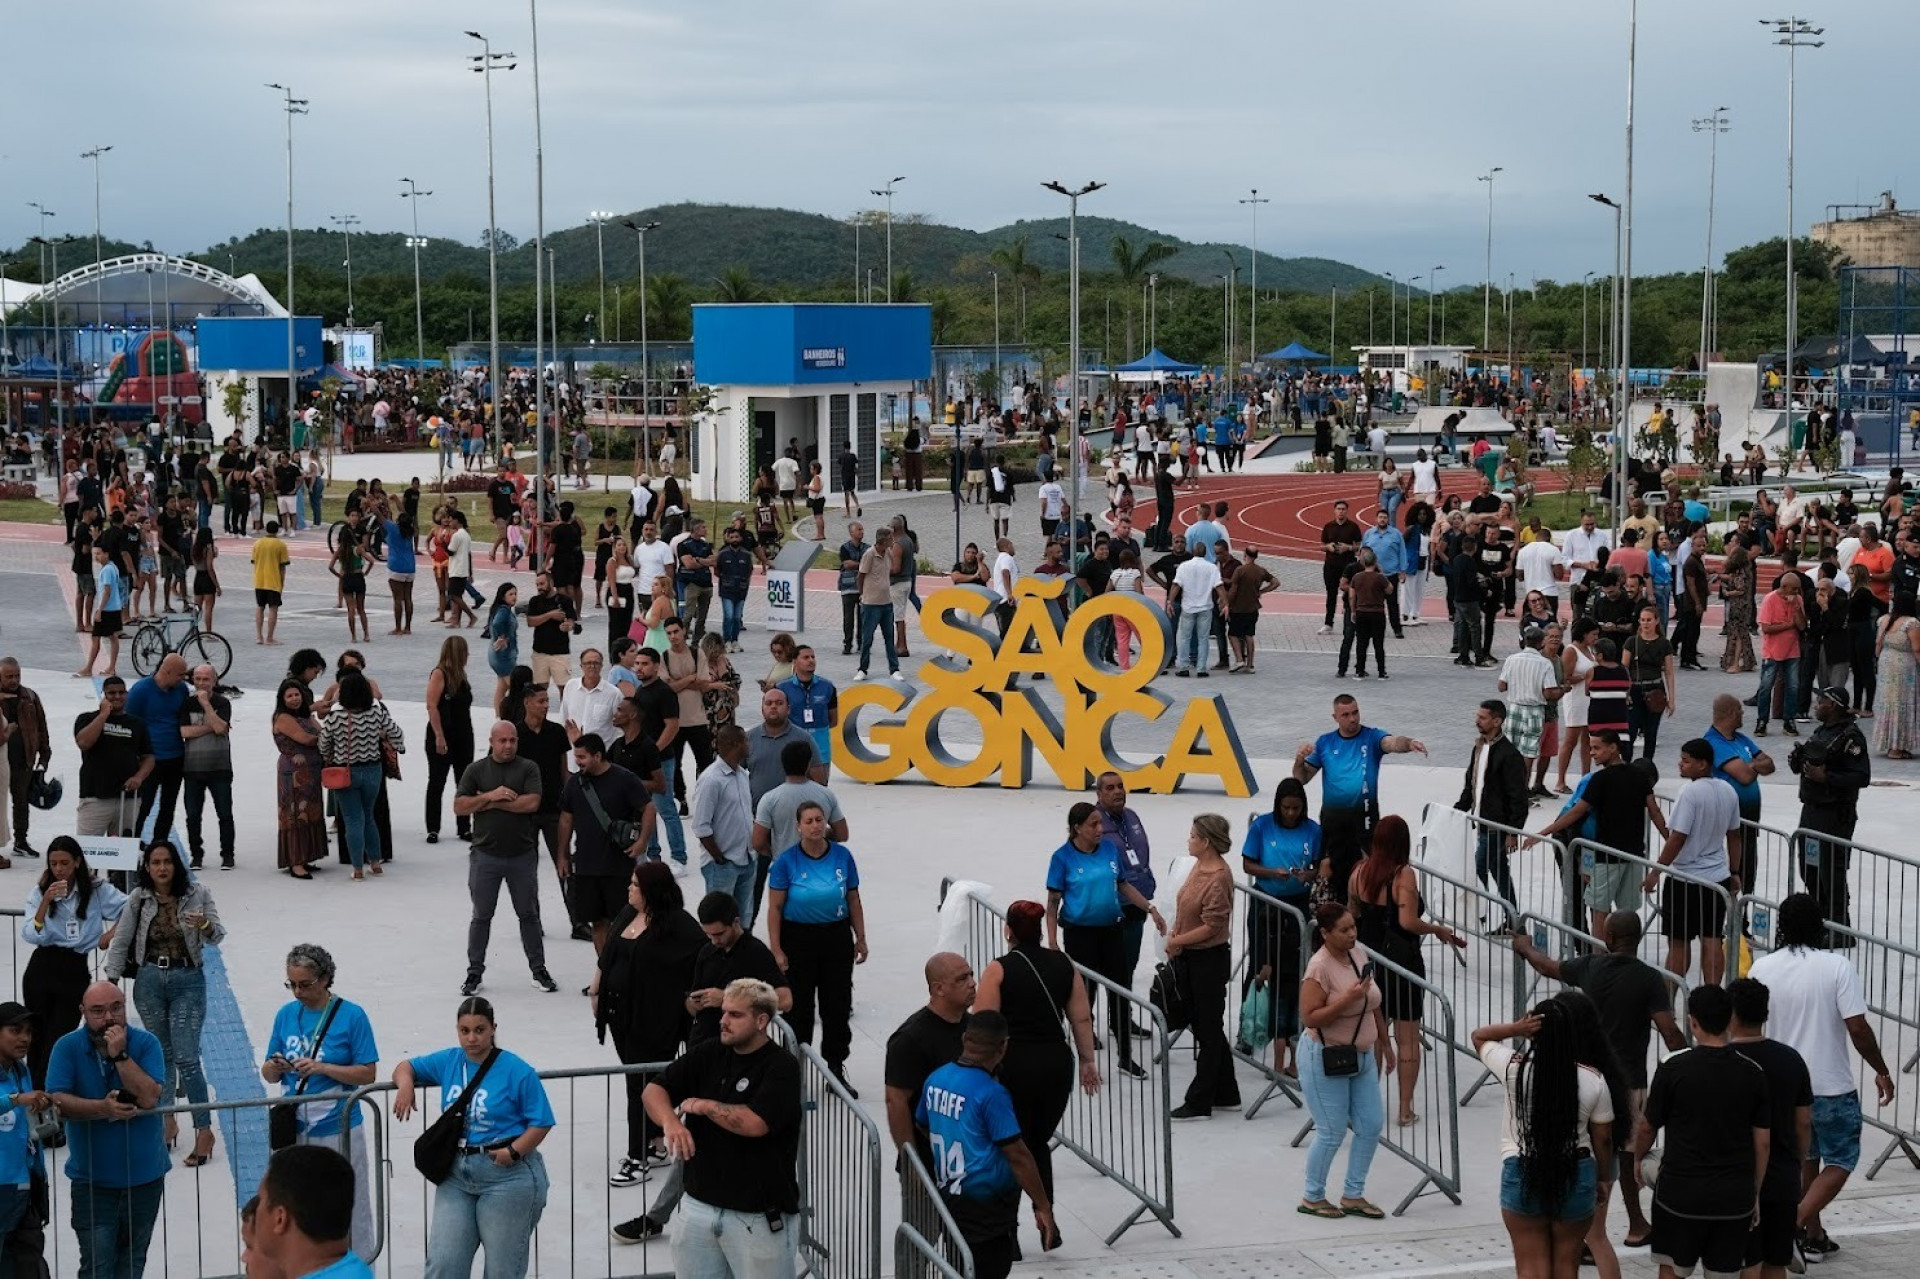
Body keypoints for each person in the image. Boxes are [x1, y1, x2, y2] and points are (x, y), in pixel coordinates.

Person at [610, 889, 796, 1246]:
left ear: (736, 923)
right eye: (709, 934)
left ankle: (661, 1216)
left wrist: (726, 997)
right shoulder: (707, 952)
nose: (714, 940)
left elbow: (784, 998)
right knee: (694, 1137)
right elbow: (689, 1004)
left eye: (720, 933)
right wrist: (696, 1003)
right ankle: (676, 1214)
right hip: (703, 1053)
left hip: (738, 1064)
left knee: (703, 1139)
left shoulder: (754, 953)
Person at [1513, 911, 1685, 1248]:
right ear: (1638, 939)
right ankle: (1635, 1224)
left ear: (1609, 939)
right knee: (1628, 1154)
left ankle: (1583, 1233)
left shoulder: (1590, 966)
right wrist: (1691, 1062)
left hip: (1588, 1078)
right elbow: (1669, 1033)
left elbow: (1547, 966)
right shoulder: (1649, 978)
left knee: (1587, 1150)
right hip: (1629, 1081)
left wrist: (1525, 947)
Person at [1748, 893, 1898, 1262]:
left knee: (1806, 1158)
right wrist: (1881, 1069)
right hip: (1830, 1085)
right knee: (1842, 1160)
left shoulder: (1761, 968)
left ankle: (1813, 1236)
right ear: (1820, 926)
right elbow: (1857, 1028)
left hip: (1781, 1085)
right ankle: (1794, 1222)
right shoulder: (1837, 966)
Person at [642, 978, 802, 1279]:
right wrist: (670, 1123)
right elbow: (653, 1090)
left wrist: (702, 1106)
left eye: (735, 1014)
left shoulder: (781, 1066)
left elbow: (755, 1123)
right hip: (698, 1208)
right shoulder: (710, 1052)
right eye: (724, 1011)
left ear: (761, 1021)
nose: (723, 1021)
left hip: (757, 1218)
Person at [392, 998, 552, 1279]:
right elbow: (405, 1066)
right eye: (464, 1030)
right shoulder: (450, 1061)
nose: (471, 1038)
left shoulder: (516, 1069)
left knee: (502, 1270)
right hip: (456, 1174)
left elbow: (541, 1121)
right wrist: (405, 1085)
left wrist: (513, 1152)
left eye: (479, 1030)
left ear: (493, 1029)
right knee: (443, 1264)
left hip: (506, 1177)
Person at [1630, 984, 1771, 1279]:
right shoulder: (1753, 1072)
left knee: (1672, 1269)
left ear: (1693, 1022)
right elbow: (1762, 1143)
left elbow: (1647, 1126)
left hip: (1680, 1194)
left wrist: (1638, 1160)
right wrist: (1754, 1192)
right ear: (1730, 1019)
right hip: (1733, 1196)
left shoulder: (1672, 1067)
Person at [102, 839, 224, 1168]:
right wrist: (110, 981)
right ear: (147, 867)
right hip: (149, 980)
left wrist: (203, 925)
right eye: (155, 862)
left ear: (176, 864)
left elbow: (217, 935)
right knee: (162, 1055)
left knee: (187, 1058)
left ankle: (203, 1129)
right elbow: (122, 939)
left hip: (188, 979)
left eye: (167, 861)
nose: (162, 867)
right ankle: (167, 1120)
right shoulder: (139, 898)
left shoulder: (198, 893)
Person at [1472, 1001, 1613, 1279]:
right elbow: (1604, 1138)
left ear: (1533, 1030)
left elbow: (1479, 1036)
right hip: (1577, 1171)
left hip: (1523, 1169)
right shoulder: (1593, 1079)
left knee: (1531, 1269)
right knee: (1567, 1265)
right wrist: (1602, 1178)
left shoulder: (1513, 1067)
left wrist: (1517, 1028)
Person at [914, 1012, 1060, 1279]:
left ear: (964, 1039)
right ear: (1003, 1046)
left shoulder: (936, 1078)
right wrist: (1043, 1206)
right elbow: (1018, 1155)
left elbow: (923, 1124)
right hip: (986, 1213)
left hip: (950, 1200)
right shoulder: (991, 1093)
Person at [264, 943, 380, 1258]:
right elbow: (268, 1074)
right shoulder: (285, 1015)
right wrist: (275, 1066)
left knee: (349, 1207)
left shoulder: (352, 1016)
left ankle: (358, 1269)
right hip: (295, 1131)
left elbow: (368, 1073)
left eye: (305, 984)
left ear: (325, 978)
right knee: (297, 1208)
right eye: (292, 984)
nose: (298, 992)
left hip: (339, 1129)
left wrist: (323, 1068)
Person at [1349, 816, 1465, 1128]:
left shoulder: (1358, 872)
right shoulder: (1404, 875)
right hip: (1402, 963)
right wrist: (1437, 929)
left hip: (1369, 962)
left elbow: (1353, 913)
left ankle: (1367, 1107)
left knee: (1375, 1035)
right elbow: (1408, 922)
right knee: (1408, 1038)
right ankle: (1404, 1109)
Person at [45, 980, 166, 1279]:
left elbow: (149, 1097)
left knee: (132, 1264)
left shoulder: (146, 1043)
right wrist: (103, 1108)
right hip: (93, 1183)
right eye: (98, 1011)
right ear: (83, 1012)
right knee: (97, 1268)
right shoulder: (67, 1047)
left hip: (145, 1180)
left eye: (116, 1008)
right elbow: (57, 1100)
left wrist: (120, 1056)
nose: (109, 1017)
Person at [1044, 802, 1164, 1081]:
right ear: (1077, 828)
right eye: (1094, 824)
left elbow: (1123, 885)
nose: (1100, 829)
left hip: (1111, 931)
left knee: (1120, 992)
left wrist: (1150, 908)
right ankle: (1085, 1059)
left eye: (1100, 823)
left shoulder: (1109, 849)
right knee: (1083, 996)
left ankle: (1125, 1057)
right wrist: (1052, 942)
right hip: (1079, 934)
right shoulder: (1062, 858)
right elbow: (1052, 904)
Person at [1296, 902, 1394, 1221]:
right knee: (1332, 1131)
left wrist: (1385, 1043)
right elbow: (1311, 1017)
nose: (1352, 934)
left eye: (1354, 926)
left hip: (1361, 1055)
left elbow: (1373, 1002)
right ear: (1325, 933)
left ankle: (1353, 1194)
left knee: (1371, 1125)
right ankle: (1313, 1196)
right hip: (1325, 1056)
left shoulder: (1358, 953)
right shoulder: (1318, 968)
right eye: (1344, 930)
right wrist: (1347, 999)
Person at [766, 801, 868, 1095]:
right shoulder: (786, 862)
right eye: (808, 821)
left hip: (836, 937)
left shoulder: (842, 856)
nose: (815, 826)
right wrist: (776, 949)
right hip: (798, 939)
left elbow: (853, 899)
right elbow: (775, 908)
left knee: (837, 1004)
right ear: (798, 827)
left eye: (819, 820)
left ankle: (835, 1069)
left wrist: (860, 937)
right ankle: (793, 1071)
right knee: (799, 1008)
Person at [453, 722, 560, 996]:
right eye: (502, 741)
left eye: (512, 740)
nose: (508, 745)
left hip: (522, 856)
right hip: (485, 856)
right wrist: (492, 795)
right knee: (481, 916)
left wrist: (487, 802)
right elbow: (459, 806)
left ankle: (539, 970)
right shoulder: (476, 770)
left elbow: (532, 803)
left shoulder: (528, 768)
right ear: (491, 742)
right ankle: (474, 972)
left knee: (528, 914)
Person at [1533, 730, 1668, 935]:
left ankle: (1598, 953)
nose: (1592, 753)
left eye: (1596, 748)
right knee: (1627, 913)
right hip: (1633, 855)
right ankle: (1623, 951)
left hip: (1606, 857)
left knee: (1599, 910)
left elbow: (1576, 813)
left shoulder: (1600, 779)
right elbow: (1655, 811)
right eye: (1590, 748)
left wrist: (1542, 833)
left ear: (1613, 748)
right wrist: (1670, 839)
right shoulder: (1639, 776)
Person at [1292, 695, 1425, 898]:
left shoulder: (1371, 737)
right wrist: (1299, 760)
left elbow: (1391, 743)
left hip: (1366, 824)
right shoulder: (1325, 743)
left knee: (1371, 876)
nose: (1353, 719)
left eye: (1355, 713)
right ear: (1335, 717)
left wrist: (1409, 743)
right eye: (1346, 715)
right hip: (1333, 825)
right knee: (1334, 877)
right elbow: (1301, 778)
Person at [1726, 977, 1815, 1279]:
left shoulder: (1725, 1061)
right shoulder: (1791, 1059)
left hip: (1737, 1176)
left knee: (1746, 1262)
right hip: (1782, 1175)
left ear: (1731, 1014)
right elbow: (1803, 1121)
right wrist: (1797, 1162)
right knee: (1776, 1259)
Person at [22, 838, 127, 1087]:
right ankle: (35, 1093)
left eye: (64, 863)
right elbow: (30, 933)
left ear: (77, 862)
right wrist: (46, 901)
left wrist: (111, 934)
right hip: (43, 965)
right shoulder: (40, 891)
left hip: (75, 967)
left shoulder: (96, 890)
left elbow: (131, 907)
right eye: (54, 863)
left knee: (60, 1036)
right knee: (36, 1036)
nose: (59, 869)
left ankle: (48, 1091)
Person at [1644, 740, 1742, 986]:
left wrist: (1656, 871)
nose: (1680, 764)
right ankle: (1712, 996)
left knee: (1678, 943)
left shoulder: (1689, 793)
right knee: (1712, 939)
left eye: (1686, 760)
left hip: (1685, 880)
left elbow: (1678, 836)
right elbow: (1734, 836)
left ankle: (1669, 998)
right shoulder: (1728, 790)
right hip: (1717, 878)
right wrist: (1734, 871)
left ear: (1702, 764)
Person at [1166, 815, 1240, 1119]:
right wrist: (1177, 934)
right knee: (1205, 1025)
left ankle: (1200, 1099)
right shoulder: (1199, 866)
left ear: (1206, 841)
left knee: (1207, 1030)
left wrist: (1178, 940)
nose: (1189, 840)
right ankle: (1226, 1091)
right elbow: (1186, 905)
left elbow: (1213, 926)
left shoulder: (1219, 877)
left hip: (1208, 960)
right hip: (1190, 955)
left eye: (1194, 836)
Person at [558, 733, 654, 952]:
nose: (577, 762)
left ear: (598, 755)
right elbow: (566, 819)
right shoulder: (575, 783)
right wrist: (562, 855)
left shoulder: (624, 779)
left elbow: (648, 807)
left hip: (618, 866)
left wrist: (642, 842)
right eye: (576, 757)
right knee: (597, 922)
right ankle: (604, 967)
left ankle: (623, 966)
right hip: (586, 867)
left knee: (623, 921)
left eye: (582, 757)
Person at [1790, 686, 1870, 937]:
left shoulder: (1851, 737)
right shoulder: (1821, 731)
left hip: (1834, 814)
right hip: (1811, 810)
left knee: (1831, 871)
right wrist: (1799, 761)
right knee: (1809, 868)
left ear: (1833, 705)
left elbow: (1862, 776)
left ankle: (1839, 929)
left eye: (1821, 701)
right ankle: (1820, 919)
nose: (1816, 705)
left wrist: (1827, 778)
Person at [883, 952, 975, 1160]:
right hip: (931, 1160)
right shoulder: (910, 1039)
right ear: (938, 988)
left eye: (971, 975)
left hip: (970, 1158)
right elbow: (896, 1101)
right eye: (962, 979)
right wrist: (911, 1162)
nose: (972, 983)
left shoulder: (973, 1027)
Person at [316, 672, 404, 881]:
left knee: (353, 820)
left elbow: (323, 743)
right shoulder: (376, 711)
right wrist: (394, 745)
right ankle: (375, 863)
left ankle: (357, 868)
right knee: (369, 817)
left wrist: (329, 756)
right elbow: (396, 733)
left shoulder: (335, 716)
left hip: (346, 773)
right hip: (373, 770)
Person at [1457, 699, 1528, 932]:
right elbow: (1471, 785)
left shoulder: (1509, 755)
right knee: (1500, 873)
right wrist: (1456, 811)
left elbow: (1519, 797)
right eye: (1477, 716)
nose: (1477, 721)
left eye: (1482, 717)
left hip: (1497, 827)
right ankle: (1514, 922)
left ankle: (1475, 916)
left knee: (1477, 872)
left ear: (1497, 721)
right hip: (1482, 823)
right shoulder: (1479, 747)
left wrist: (1513, 832)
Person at [1705, 693, 1775, 884]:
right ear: (1730, 713)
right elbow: (1744, 777)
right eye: (1740, 710)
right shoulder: (1714, 742)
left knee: (1749, 860)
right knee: (1734, 861)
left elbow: (1770, 765)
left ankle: (1746, 896)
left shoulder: (1742, 739)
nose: (1743, 714)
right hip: (1729, 818)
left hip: (1749, 817)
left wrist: (1750, 765)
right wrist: (1754, 765)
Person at [125, 653, 192, 842]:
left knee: (168, 807)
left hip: (176, 757)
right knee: (143, 805)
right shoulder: (140, 691)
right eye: (180, 675)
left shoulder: (181, 690)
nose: (183, 679)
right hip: (150, 759)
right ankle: (133, 843)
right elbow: (130, 724)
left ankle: (160, 844)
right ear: (167, 671)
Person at [178, 662, 236, 871]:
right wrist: (210, 727)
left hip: (220, 768)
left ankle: (227, 854)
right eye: (198, 679)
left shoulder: (222, 703)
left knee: (225, 814)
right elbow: (184, 732)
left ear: (214, 681)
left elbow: (221, 728)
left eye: (206, 679)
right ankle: (196, 855)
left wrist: (206, 705)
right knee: (193, 816)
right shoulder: (186, 703)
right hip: (192, 769)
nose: (201, 683)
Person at [424, 638, 476, 846]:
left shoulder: (461, 675)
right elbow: (432, 706)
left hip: (463, 734)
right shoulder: (439, 674)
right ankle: (433, 827)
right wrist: (439, 735)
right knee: (437, 781)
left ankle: (464, 826)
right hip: (444, 734)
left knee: (464, 782)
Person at [273, 679, 327, 881]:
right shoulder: (283, 718)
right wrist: (329, 737)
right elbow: (306, 738)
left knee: (310, 813)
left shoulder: (305, 715)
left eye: (297, 695)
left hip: (312, 772)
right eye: (290, 696)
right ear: (282, 699)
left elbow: (320, 731)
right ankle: (295, 862)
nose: (295, 699)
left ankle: (306, 857)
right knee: (295, 814)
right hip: (294, 774)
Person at [0, 658, 53, 859]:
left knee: (21, 802)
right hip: (1, 760)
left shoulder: (30, 697)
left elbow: (41, 727)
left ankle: (20, 841)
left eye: (17, 675)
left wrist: (44, 756)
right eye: (9, 676)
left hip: (23, 760)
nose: (14, 680)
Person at [1756, 571, 1806, 736]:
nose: (1797, 592)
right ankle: (1762, 720)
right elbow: (1766, 628)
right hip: (1772, 652)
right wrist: (1789, 625)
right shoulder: (1770, 599)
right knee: (1766, 687)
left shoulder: (1798, 600)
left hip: (1792, 651)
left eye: (1798, 589)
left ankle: (1789, 720)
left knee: (1793, 687)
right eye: (1794, 589)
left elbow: (1802, 626)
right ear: (1784, 587)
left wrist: (1797, 608)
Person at [482, 584, 521, 718]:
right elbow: (497, 623)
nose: (514, 597)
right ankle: (516, 717)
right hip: (503, 656)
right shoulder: (504, 611)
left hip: (497, 655)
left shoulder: (500, 609)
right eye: (511, 594)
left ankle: (499, 717)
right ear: (503, 596)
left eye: (515, 594)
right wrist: (501, 636)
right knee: (517, 689)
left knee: (501, 687)